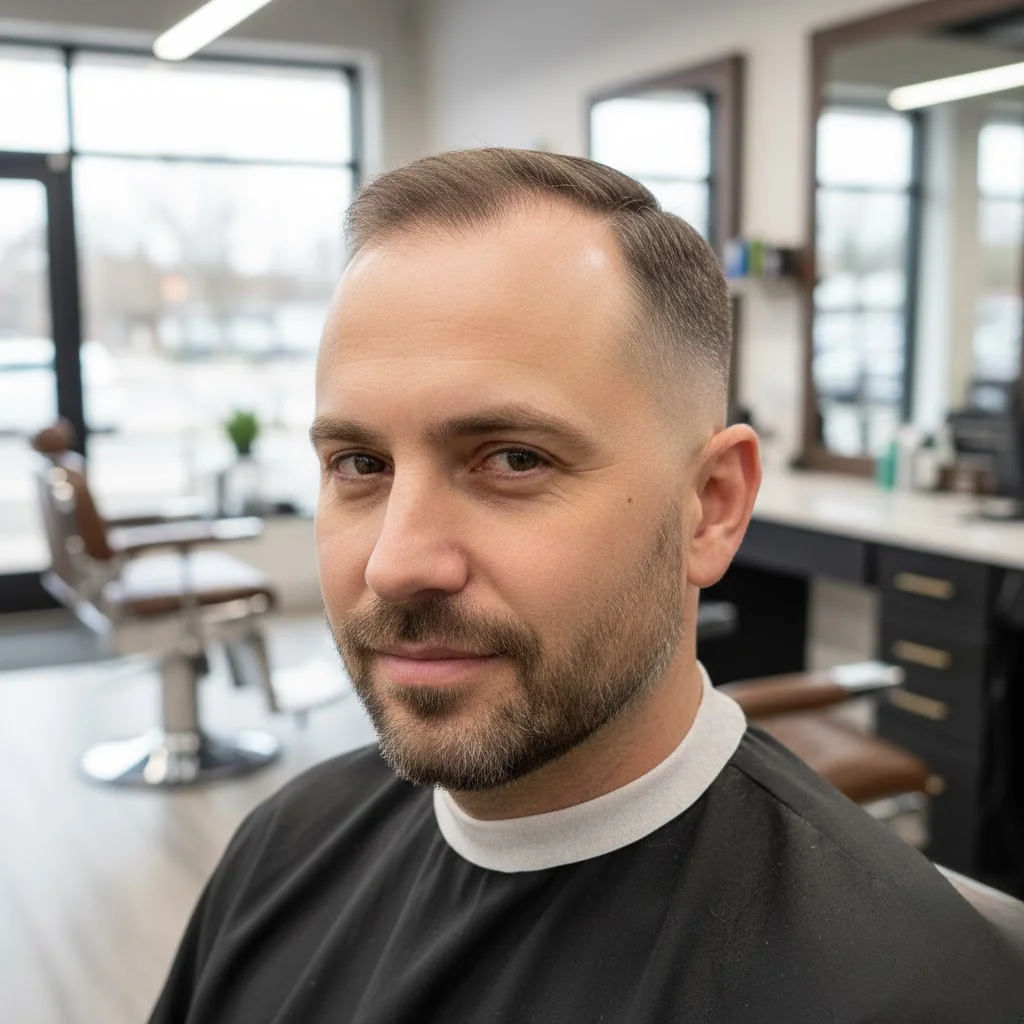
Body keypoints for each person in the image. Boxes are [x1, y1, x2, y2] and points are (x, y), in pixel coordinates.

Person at [149, 148, 1024, 1024]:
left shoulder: (906, 993)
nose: (395, 563)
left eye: (514, 459)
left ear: (711, 507)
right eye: (360, 463)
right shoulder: (284, 847)